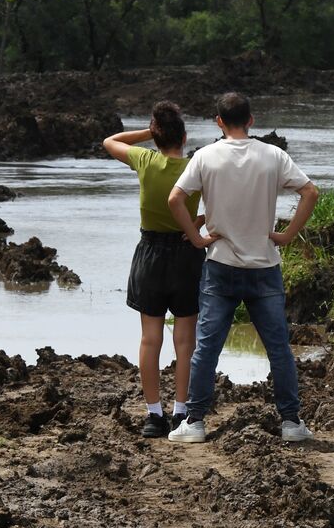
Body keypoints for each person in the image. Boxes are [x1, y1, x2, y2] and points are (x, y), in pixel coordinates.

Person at [165, 92, 319, 445]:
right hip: (264, 264)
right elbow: (310, 192)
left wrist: (196, 236)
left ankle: (195, 421)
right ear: (251, 120)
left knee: (206, 346)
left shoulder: (205, 156)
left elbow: (174, 198)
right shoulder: (273, 155)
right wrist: (287, 235)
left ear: (218, 121)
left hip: (220, 264)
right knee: (278, 347)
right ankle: (291, 421)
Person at [102, 102, 205, 439]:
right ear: (185, 137)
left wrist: (149, 132)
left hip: (150, 255)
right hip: (186, 254)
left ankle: (153, 415)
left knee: (150, 338)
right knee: (185, 340)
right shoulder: (194, 169)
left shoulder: (145, 159)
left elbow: (110, 141)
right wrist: (197, 224)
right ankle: (180, 412)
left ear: (156, 137)